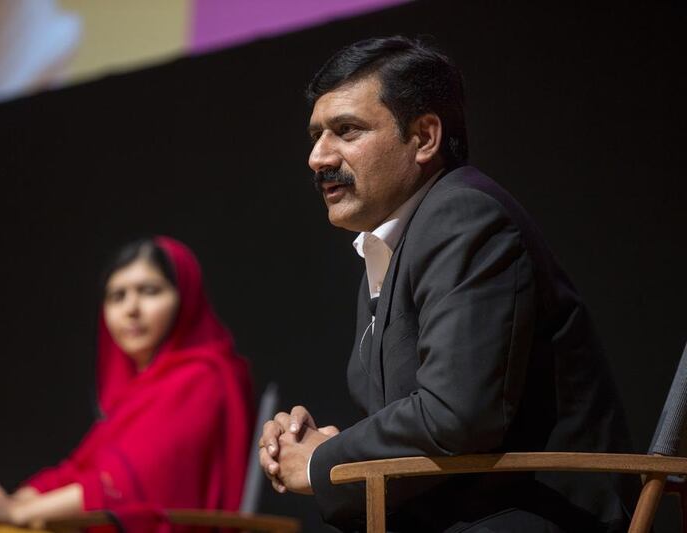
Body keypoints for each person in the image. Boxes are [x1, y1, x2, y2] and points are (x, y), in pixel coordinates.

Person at [258, 36, 637, 532]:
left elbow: (456, 417)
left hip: (535, 516)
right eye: (316, 135)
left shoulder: (464, 216)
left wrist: (322, 459)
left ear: (425, 137)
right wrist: (328, 446)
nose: (318, 157)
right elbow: (428, 418)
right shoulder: (391, 246)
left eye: (346, 131)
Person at [0, 236, 253, 533]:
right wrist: (12, 499)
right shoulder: (140, 392)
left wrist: (18, 512)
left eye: (149, 291)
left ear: (186, 300)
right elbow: (79, 472)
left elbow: (127, 485)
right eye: (117, 296)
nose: (131, 309)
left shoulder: (201, 379)